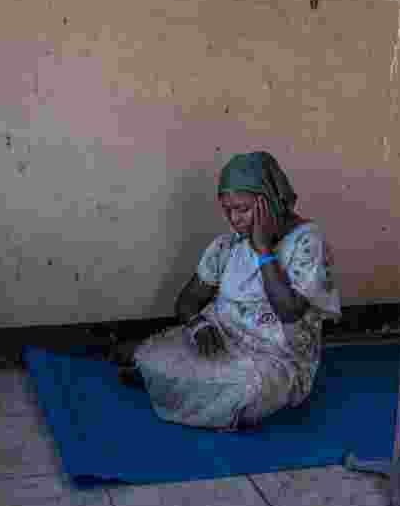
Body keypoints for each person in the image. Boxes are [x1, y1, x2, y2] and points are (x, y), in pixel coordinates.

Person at [117, 152, 341, 432]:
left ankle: (168, 386)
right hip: (224, 340)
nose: (234, 219)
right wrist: (199, 326)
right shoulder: (227, 245)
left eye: (244, 209)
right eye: (228, 210)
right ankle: (168, 379)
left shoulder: (307, 243)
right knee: (154, 356)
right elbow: (187, 302)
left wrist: (263, 250)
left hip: (276, 359)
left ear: (270, 200)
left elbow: (289, 310)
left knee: (246, 391)